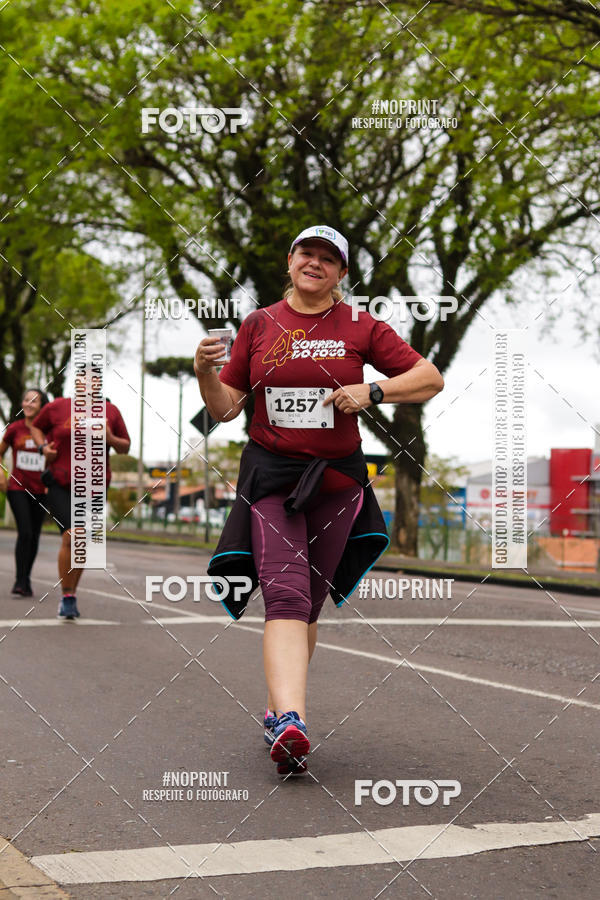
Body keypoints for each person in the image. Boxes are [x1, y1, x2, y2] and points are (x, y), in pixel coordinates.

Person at [194, 225, 444, 776]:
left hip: (335, 482)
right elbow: (226, 409)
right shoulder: (259, 323)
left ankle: (278, 711)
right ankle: (292, 722)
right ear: (290, 261)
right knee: (283, 596)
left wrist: (374, 390)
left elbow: (429, 377)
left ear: (342, 273)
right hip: (272, 478)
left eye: (329, 258)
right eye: (307, 253)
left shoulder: (362, 326)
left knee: (307, 603)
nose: (315, 263)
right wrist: (204, 373)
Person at [29, 384, 131, 620]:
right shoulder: (58, 407)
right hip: (61, 483)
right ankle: (66, 596)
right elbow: (36, 428)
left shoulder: (110, 411)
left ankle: (71, 594)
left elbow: (125, 446)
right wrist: (44, 448)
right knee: (72, 535)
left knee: (82, 540)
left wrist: (110, 438)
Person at [0, 388, 50, 596]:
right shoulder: (15, 429)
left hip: (42, 490)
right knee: (25, 532)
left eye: (34, 401)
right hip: (18, 487)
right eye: (26, 400)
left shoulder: (48, 431)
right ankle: (20, 581)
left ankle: (26, 579)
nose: (28, 404)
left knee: (35, 536)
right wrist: (2, 475)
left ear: (42, 406)